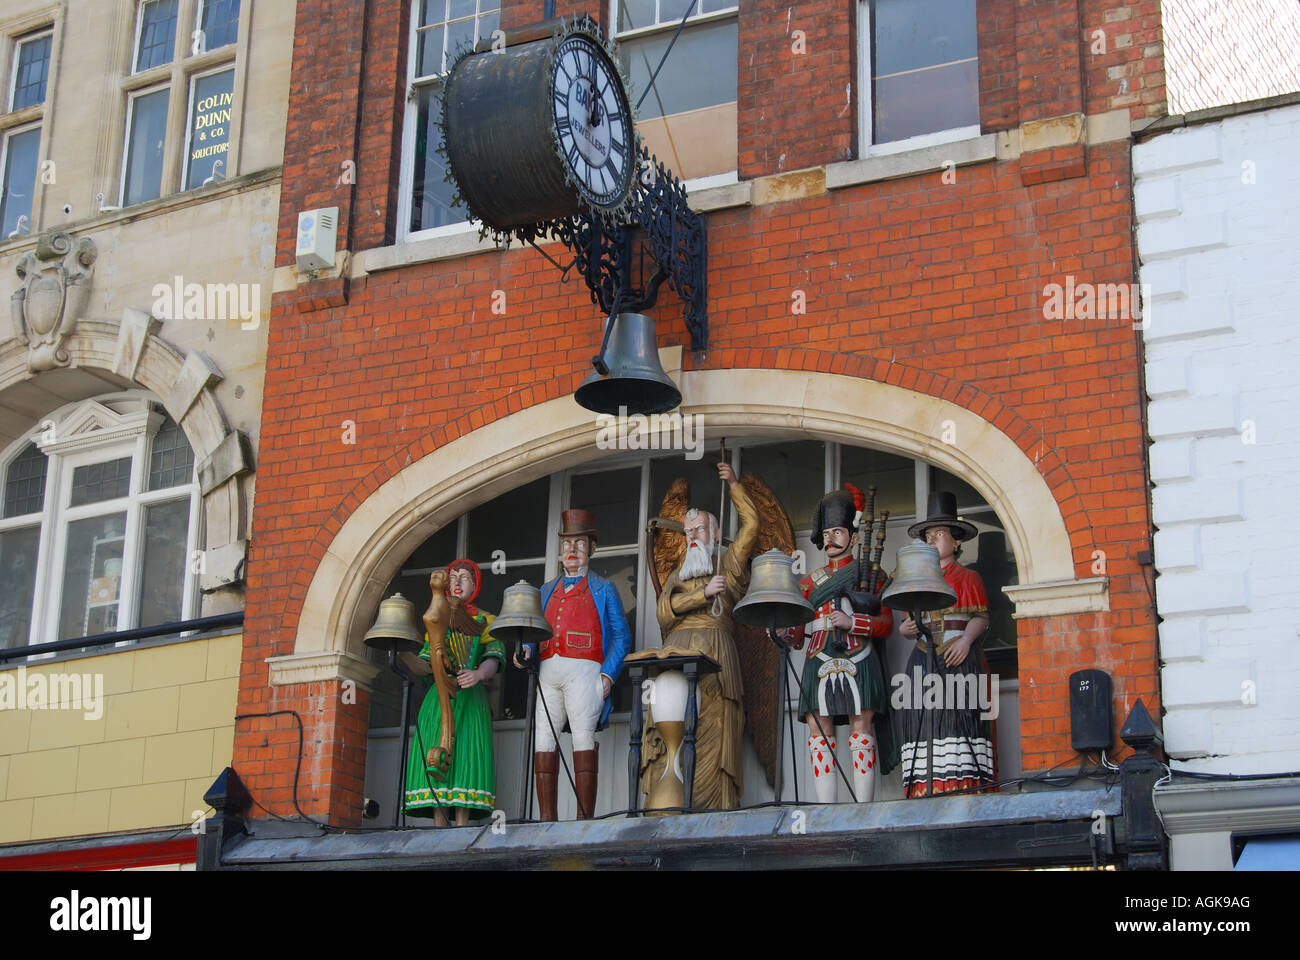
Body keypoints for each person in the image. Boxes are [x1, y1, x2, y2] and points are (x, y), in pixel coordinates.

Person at [636, 461, 758, 810]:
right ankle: (665, 801)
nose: (693, 537)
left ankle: (713, 808)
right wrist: (700, 595)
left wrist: (734, 484)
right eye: (688, 531)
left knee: (715, 733)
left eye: (700, 530)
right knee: (668, 728)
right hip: (674, 656)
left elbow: (752, 526)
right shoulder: (678, 573)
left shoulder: (729, 565)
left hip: (716, 656)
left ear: (715, 535)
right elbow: (663, 612)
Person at [784, 485, 897, 803]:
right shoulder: (809, 582)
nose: (831, 538)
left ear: (854, 537)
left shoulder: (873, 575)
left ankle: (864, 807)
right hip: (818, 653)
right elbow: (796, 634)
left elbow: (887, 625)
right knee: (818, 727)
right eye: (827, 532)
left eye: (838, 531)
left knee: (863, 722)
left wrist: (854, 623)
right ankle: (826, 809)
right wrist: (782, 632)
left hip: (859, 653)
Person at [515, 510, 630, 820]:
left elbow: (621, 637)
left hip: (586, 671)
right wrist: (525, 650)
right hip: (548, 672)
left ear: (591, 549)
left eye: (580, 543)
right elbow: (533, 631)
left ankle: (584, 818)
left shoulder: (603, 589)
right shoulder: (544, 591)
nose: (572, 550)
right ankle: (546, 819)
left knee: (582, 736)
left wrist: (608, 673)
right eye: (568, 544)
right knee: (544, 738)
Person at [897, 491, 996, 797]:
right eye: (928, 535)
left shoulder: (969, 578)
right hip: (924, 660)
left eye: (939, 534)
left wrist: (967, 639)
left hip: (958, 657)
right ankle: (925, 786)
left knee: (959, 719)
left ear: (956, 541)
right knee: (924, 721)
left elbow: (981, 617)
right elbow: (905, 625)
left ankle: (965, 785)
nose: (932, 540)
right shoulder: (915, 580)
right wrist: (906, 628)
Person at [403, 559, 504, 825]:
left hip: (470, 699)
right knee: (437, 746)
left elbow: (494, 656)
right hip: (438, 699)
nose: (457, 583)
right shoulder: (437, 620)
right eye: (453, 578)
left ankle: (462, 821)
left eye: (465, 578)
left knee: (467, 753)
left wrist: (479, 674)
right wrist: (401, 650)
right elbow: (424, 664)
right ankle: (439, 821)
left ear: (476, 584)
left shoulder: (485, 620)